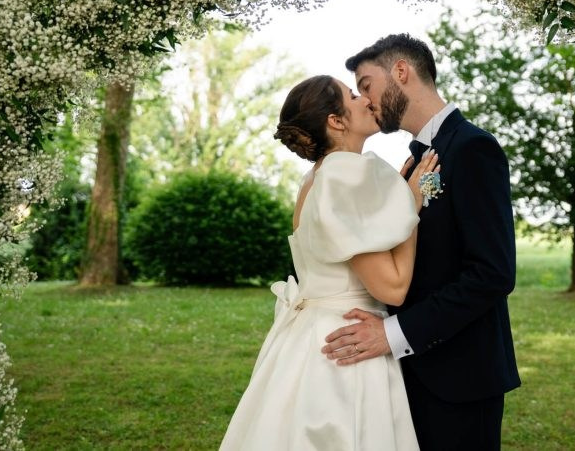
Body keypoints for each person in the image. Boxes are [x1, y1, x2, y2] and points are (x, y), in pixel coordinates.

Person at [219, 75, 440, 450]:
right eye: (353, 96)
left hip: (304, 342)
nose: (365, 101)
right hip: (347, 347)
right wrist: (411, 204)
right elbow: (393, 287)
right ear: (336, 121)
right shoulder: (344, 175)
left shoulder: (315, 178)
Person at [322, 34, 521, 450]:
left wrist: (393, 334)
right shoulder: (413, 160)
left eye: (366, 85)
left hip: (461, 376)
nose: (365, 100)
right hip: (406, 372)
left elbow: (492, 273)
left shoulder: (472, 148)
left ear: (401, 72)